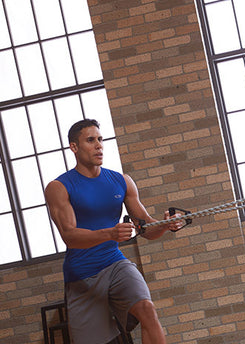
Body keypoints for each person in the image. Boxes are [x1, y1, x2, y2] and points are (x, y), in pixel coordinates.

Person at [45, 119, 183, 344]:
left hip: (115, 263)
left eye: (100, 139)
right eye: (90, 140)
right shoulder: (59, 187)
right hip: (81, 275)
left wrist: (165, 225)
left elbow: (145, 228)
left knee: (148, 310)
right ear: (74, 147)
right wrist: (110, 234)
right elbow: (69, 235)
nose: (99, 145)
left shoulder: (121, 181)